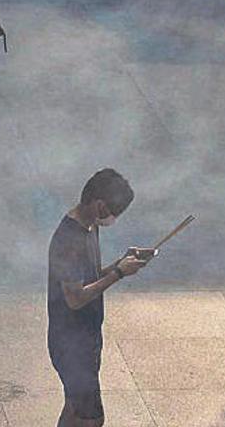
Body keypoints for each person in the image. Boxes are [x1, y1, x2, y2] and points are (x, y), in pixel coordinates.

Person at [47, 169, 151, 427]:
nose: (113, 219)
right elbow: (74, 298)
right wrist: (118, 273)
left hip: (85, 338)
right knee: (91, 419)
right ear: (100, 205)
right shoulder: (70, 239)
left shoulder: (89, 226)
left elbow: (89, 277)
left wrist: (121, 263)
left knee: (74, 409)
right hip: (72, 344)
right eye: (115, 213)